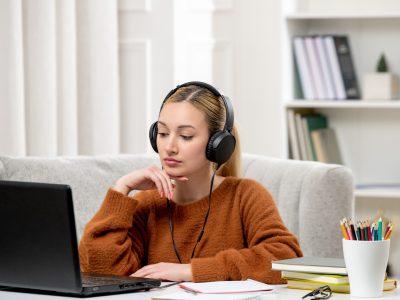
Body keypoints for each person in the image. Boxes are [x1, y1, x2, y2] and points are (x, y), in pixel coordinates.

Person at [79, 81, 302, 283]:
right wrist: (122, 189)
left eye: (185, 136)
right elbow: (101, 273)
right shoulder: (147, 205)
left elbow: (285, 258)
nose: (169, 147)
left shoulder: (245, 195)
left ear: (217, 144)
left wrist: (192, 271)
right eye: (163, 133)